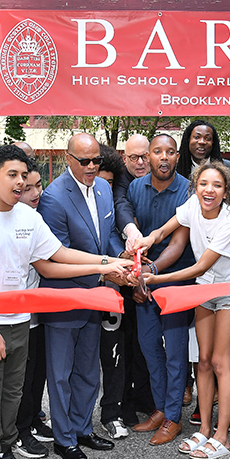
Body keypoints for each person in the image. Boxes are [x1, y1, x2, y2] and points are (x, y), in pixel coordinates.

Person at [0, 144, 130, 459]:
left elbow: (54, 258)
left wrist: (104, 264)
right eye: (12, 176)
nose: (20, 183)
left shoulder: (28, 218)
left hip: (19, 318)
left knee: (12, 392)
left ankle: (5, 449)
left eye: (24, 176)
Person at [136, 161, 230, 459]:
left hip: (228, 291)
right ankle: (205, 429)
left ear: (226, 192)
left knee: (221, 362)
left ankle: (222, 436)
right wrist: (148, 239)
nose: (209, 190)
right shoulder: (191, 207)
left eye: (217, 186)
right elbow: (163, 230)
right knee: (203, 362)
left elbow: (200, 266)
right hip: (203, 290)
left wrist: (154, 277)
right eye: (203, 184)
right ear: (195, 187)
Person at [36, 133, 126, 459]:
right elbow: (58, 256)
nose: (91, 167)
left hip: (97, 296)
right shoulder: (53, 198)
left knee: (89, 368)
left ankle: (82, 428)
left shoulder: (103, 189)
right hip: (63, 296)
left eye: (96, 161)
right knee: (60, 373)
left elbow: (110, 235)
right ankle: (64, 438)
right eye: (84, 161)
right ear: (67, 158)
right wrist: (106, 271)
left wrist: (122, 258)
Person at [128, 133, 196, 446]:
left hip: (177, 281)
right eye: (158, 152)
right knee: (149, 345)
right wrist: (138, 277)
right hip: (144, 284)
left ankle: (173, 417)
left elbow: (179, 242)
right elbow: (132, 237)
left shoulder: (187, 189)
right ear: (149, 156)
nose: (164, 157)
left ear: (177, 156)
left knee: (176, 351)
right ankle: (160, 407)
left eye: (170, 152)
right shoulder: (134, 187)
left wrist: (151, 272)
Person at [113, 134, 157, 428]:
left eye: (145, 156)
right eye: (134, 158)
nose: (140, 163)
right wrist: (131, 232)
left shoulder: (164, 180)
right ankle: (124, 402)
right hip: (124, 274)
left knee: (151, 344)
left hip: (159, 272)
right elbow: (122, 209)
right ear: (124, 158)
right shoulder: (119, 184)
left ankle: (149, 398)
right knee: (127, 343)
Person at [13, 166, 55, 459]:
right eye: (28, 188)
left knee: (37, 370)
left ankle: (32, 419)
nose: (36, 193)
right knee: (22, 376)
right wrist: (102, 266)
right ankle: (19, 431)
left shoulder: (35, 217)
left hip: (37, 309)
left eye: (39, 186)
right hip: (15, 313)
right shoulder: (13, 219)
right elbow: (48, 263)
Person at [94, 145, 130, 439]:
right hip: (82, 286)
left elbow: (115, 236)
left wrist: (121, 258)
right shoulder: (66, 198)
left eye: (108, 181)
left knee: (113, 351)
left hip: (111, 290)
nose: (101, 186)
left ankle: (112, 413)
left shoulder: (114, 201)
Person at [175, 119, 230, 193]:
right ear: (188, 140)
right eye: (197, 137)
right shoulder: (176, 169)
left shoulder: (229, 168)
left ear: (213, 142)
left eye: (207, 138)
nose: (202, 142)